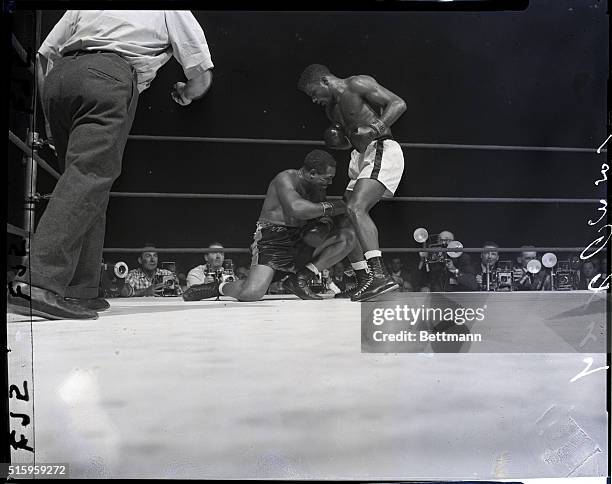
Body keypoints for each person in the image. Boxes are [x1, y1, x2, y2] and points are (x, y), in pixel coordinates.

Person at [8, 11, 213, 320]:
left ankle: (80, 290)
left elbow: (43, 55)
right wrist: (186, 93)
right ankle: (38, 281)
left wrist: (49, 119)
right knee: (90, 176)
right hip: (108, 76)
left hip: (61, 79)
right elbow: (200, 72)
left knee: (86, 182)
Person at [182, 149, 354, 302]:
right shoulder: (286, 178)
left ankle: (300, 279)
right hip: (274, 239)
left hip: (300, 238)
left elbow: (320, 215)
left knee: (348, 237)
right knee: (252, 293)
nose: (330, 183)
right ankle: (215, 288)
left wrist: (326, 222)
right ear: (312, 173)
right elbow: (296, 209)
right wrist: (333, 207)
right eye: (327, 178)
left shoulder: (317, 187)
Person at [297, 64, 407, 302]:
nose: (314, 99)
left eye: (313, 92)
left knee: (356, 208)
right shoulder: (331, 111)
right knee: (347, 220)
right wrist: (340, 143)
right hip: (359, 158)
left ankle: (379, 275)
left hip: (381, 149)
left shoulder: (357, 84)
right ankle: (363, 278)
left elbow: (398, 103)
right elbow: (353, 139)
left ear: (325, 80)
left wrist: (375, 128)